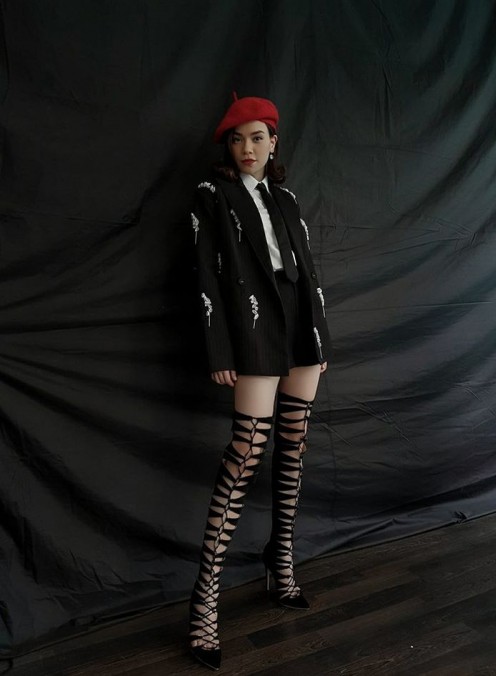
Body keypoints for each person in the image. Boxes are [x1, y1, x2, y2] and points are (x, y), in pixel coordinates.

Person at [188, 94, 331, 671]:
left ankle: (282, 561)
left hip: (299, 320)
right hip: (252, 323)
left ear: (274, 141)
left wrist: (319, 337)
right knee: (246, 449)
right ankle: (204, 599)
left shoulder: (286, 198)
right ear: (228, 146)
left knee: (294, 442)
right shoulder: (212, 195)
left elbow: (309, 268)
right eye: (236, 139)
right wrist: (219, 348)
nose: (247, 148)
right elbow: (204, 273)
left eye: (257, 137)